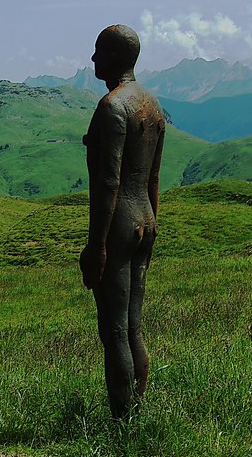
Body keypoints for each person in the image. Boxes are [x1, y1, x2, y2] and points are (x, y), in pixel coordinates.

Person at [80, 24, 165, 419]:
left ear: (114, 57)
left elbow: (109, 183)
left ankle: (122, 421)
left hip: (118, 224)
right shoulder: (151, 104)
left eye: (99, 51)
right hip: (144, 218)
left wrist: (97, 245)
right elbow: (153, 177)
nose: (93, 58)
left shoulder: (113, 107)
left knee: (114, 330)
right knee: (134, 326)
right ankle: (136, 414)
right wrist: (152, 224)